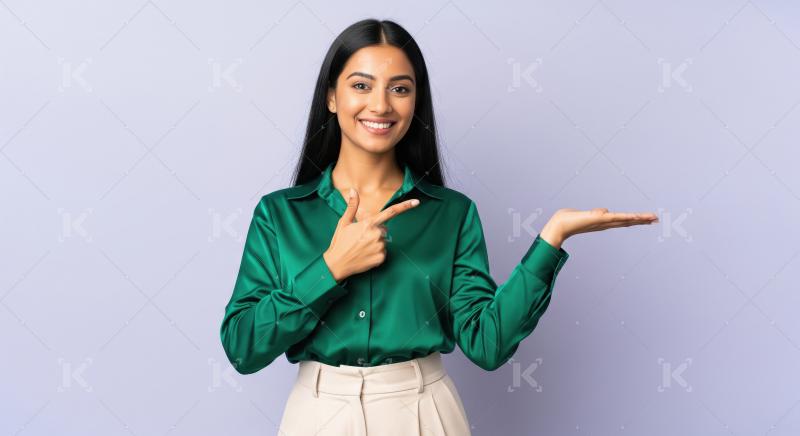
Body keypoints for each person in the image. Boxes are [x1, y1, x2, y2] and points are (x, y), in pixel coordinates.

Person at [219, 18, 658, 436]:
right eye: (360, 85)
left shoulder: (452, 214)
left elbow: (487, 344)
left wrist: (552, 239)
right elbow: (243, 347)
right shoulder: (280, 215)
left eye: (400, 88)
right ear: (332, 97)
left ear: (416, 101)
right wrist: (330, 267)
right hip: (317, 415)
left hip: (423, 412)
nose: (380, 105)